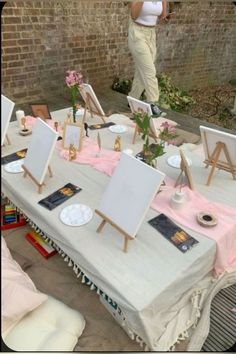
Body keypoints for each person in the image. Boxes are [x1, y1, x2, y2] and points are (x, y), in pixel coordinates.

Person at [128, 1, 170, 115]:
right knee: (149, 71)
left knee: (142, 70)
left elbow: (162, 16)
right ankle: (153, 103)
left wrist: (165, 17)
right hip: (137, 33)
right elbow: (134, 15)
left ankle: (132, 98)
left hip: (151, 34)